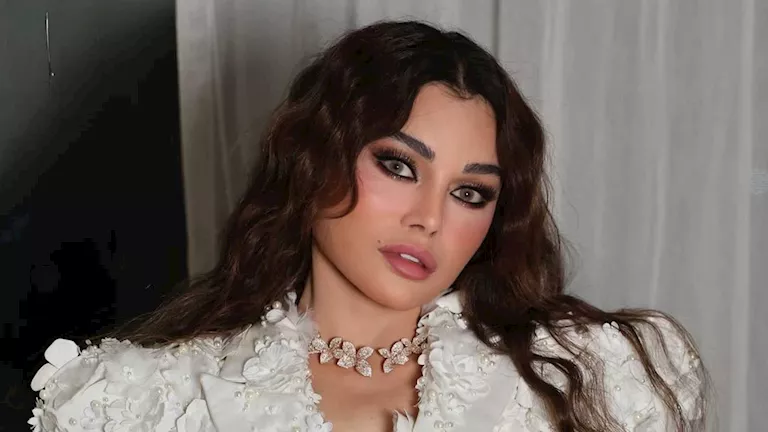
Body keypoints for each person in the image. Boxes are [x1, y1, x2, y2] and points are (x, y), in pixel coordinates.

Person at [28, 20, 709, 432]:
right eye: (399, 165)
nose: (429, 218)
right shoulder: (140, 402)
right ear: (313, 158)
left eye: (470, 192)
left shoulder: (596, 376)